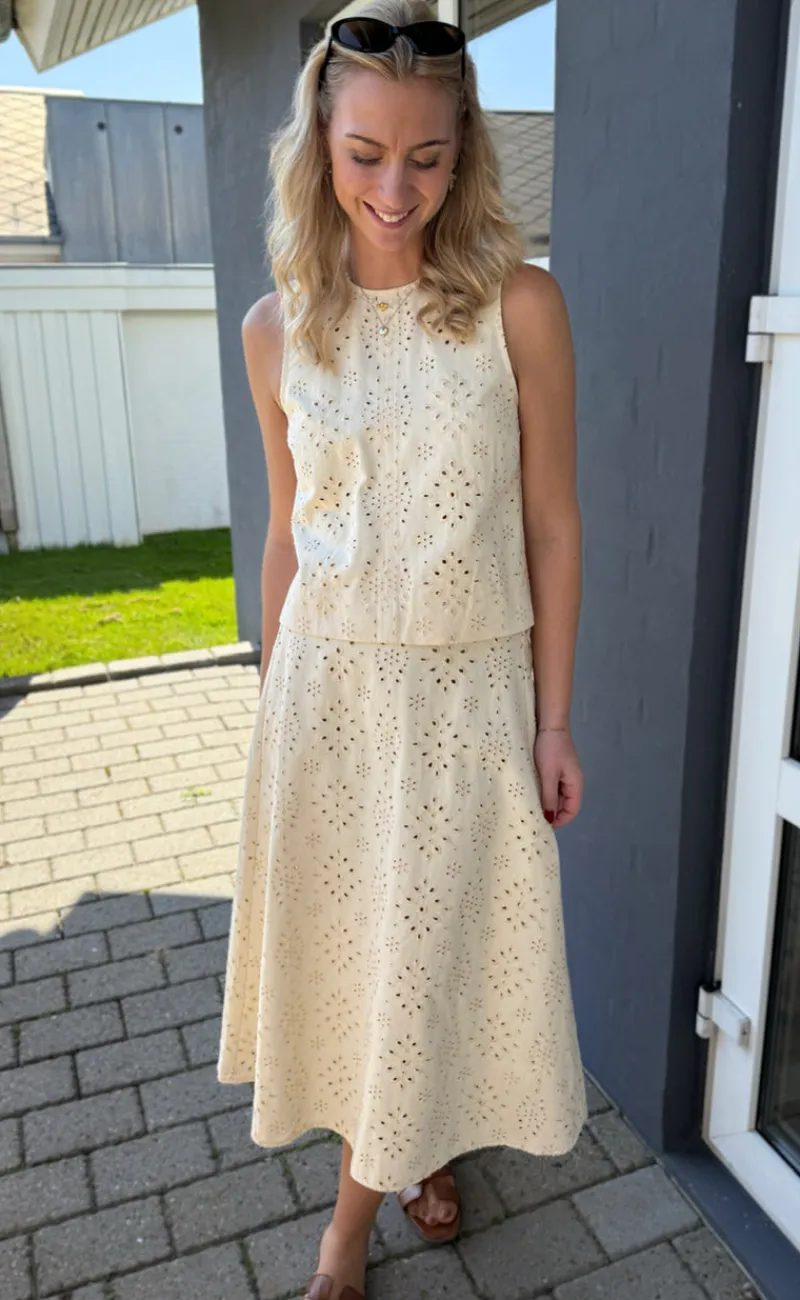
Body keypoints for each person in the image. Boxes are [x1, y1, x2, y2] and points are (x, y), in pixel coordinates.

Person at [216, 3, 588, 1297]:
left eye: (426, 156)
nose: (394, 187)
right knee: (357, 954)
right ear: (319, 146)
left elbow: (553, 524)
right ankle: (406, 1154)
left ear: (463, 151)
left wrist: (553, 719)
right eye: (365, 153)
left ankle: (346, 1229)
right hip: (326, 694)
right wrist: (272, 697)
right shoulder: (277, 328)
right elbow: (288, 531)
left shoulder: (518, 307)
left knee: (425, 951)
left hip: (468, 693)